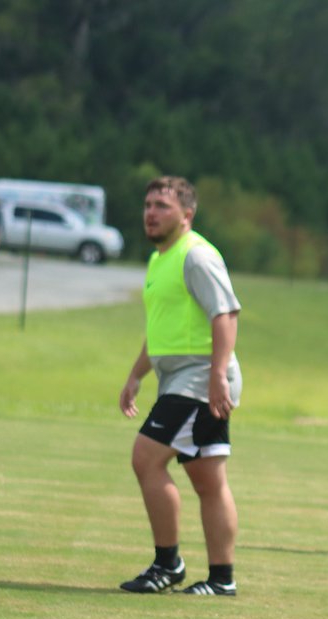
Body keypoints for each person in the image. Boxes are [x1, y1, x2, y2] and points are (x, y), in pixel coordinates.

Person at [117, 176, 242, 596]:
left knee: (146, 457)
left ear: (187, 215)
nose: (151, 213)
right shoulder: (159, 260)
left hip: (201, 377)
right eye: (148, 204)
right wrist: (136, 375)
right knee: (208, 479)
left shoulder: (197, 256)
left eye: (162, 206)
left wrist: (217, 375)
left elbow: (225, 315)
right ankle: (222, 580)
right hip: (181, 378)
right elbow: (160, 330)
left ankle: (168, 564)